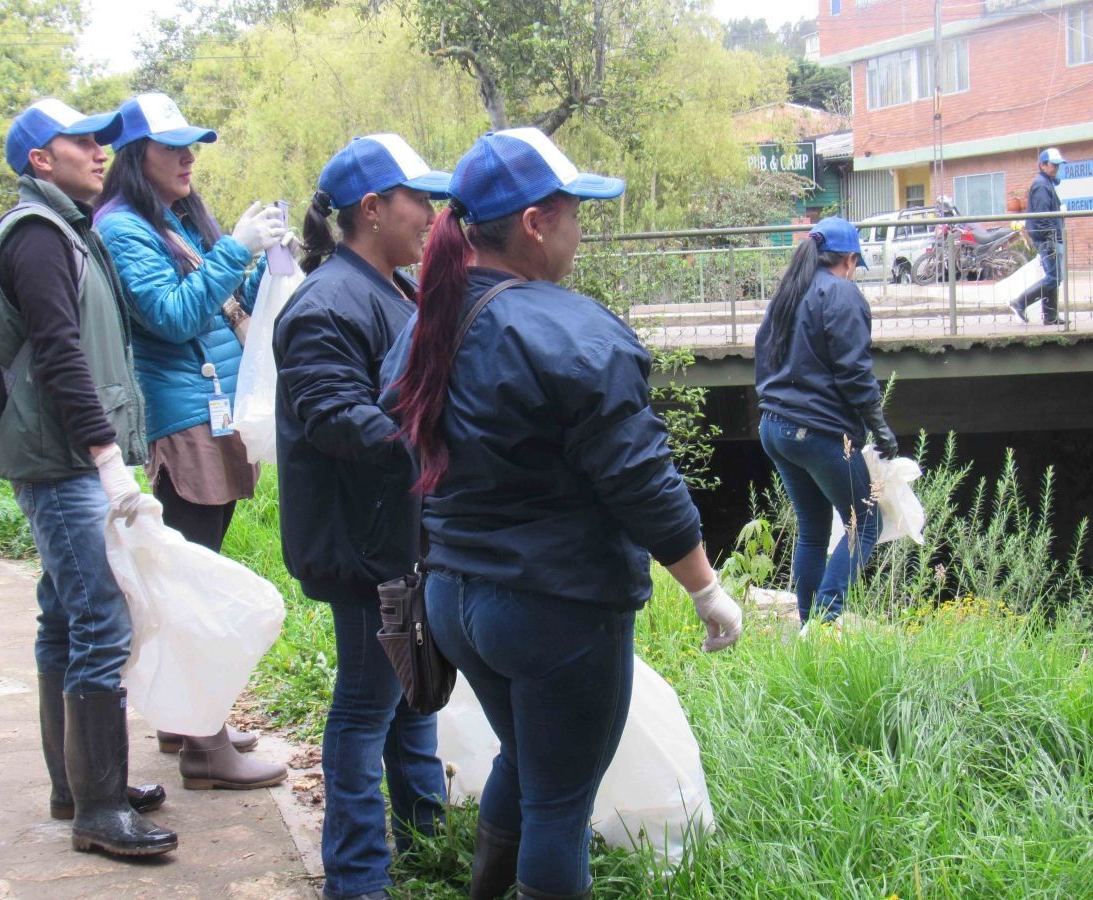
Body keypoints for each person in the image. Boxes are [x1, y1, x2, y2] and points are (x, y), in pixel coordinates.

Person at [380, 127, 743, 900]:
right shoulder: (571, 330)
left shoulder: (426, 323)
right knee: (560, 803)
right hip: (554, 611)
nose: (582, 229)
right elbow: (642, 478)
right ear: (538, 223)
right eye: (575, 211)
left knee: (528, 761)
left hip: (455, 602)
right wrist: (707, 590)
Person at [0, 98, 176, 857]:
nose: (101, 152)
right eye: (81, 142)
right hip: (63, 461)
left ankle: (79, 784)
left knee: (65, 618)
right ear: (41, 159)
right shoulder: (38, 236)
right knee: (100, 619)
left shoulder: (64, 227)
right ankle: (99, 810)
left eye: (102, 143)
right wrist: (107, 461)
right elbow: (61, 355)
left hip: (63, 456)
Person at [273, 133, 452, 900]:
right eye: (421, 200)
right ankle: (356, 879)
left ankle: (427, 843)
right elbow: (336, 418)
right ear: (373, 209)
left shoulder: (392, 289)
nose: (434, 216)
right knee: (364, 708)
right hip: (363, 545)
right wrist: (440, 440)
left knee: (414, 695)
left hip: (396, 538)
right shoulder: (328, 303)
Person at [94, 92, 287, 792]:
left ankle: (187, 720)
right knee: (193, 584)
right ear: (134, 156)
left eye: (191, 144)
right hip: (182, 418)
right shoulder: (121, 229)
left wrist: (267, 260)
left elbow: (219, 301)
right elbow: (173, 318)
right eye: (171, 146)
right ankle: (205, 746)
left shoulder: (170, 220)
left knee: (195, 570)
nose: (188, 157)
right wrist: (236, 247)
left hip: (216, 414)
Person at [754, 217, 897, 627]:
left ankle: (805, 627)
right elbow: (854, 371)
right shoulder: (842, 293)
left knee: (814, 530)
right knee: (866, 521)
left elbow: (763, 360)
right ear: (849, 260)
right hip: (816, 432)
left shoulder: (787, 293)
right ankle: (824, 622)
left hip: (774, 428)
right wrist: (879, 426)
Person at [1008, 147, 1067, 326]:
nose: (1056, 168)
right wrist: (1051, 237)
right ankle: (1020, 302)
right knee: (1055, 277)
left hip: (1049, 236)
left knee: (1052, 275)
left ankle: (1050, 316)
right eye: (1053, 165)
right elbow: (1042, 215)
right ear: (1042, 165)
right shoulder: (1041, 184)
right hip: (1048, 237)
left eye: (1058, 165)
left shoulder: (1046, 182)